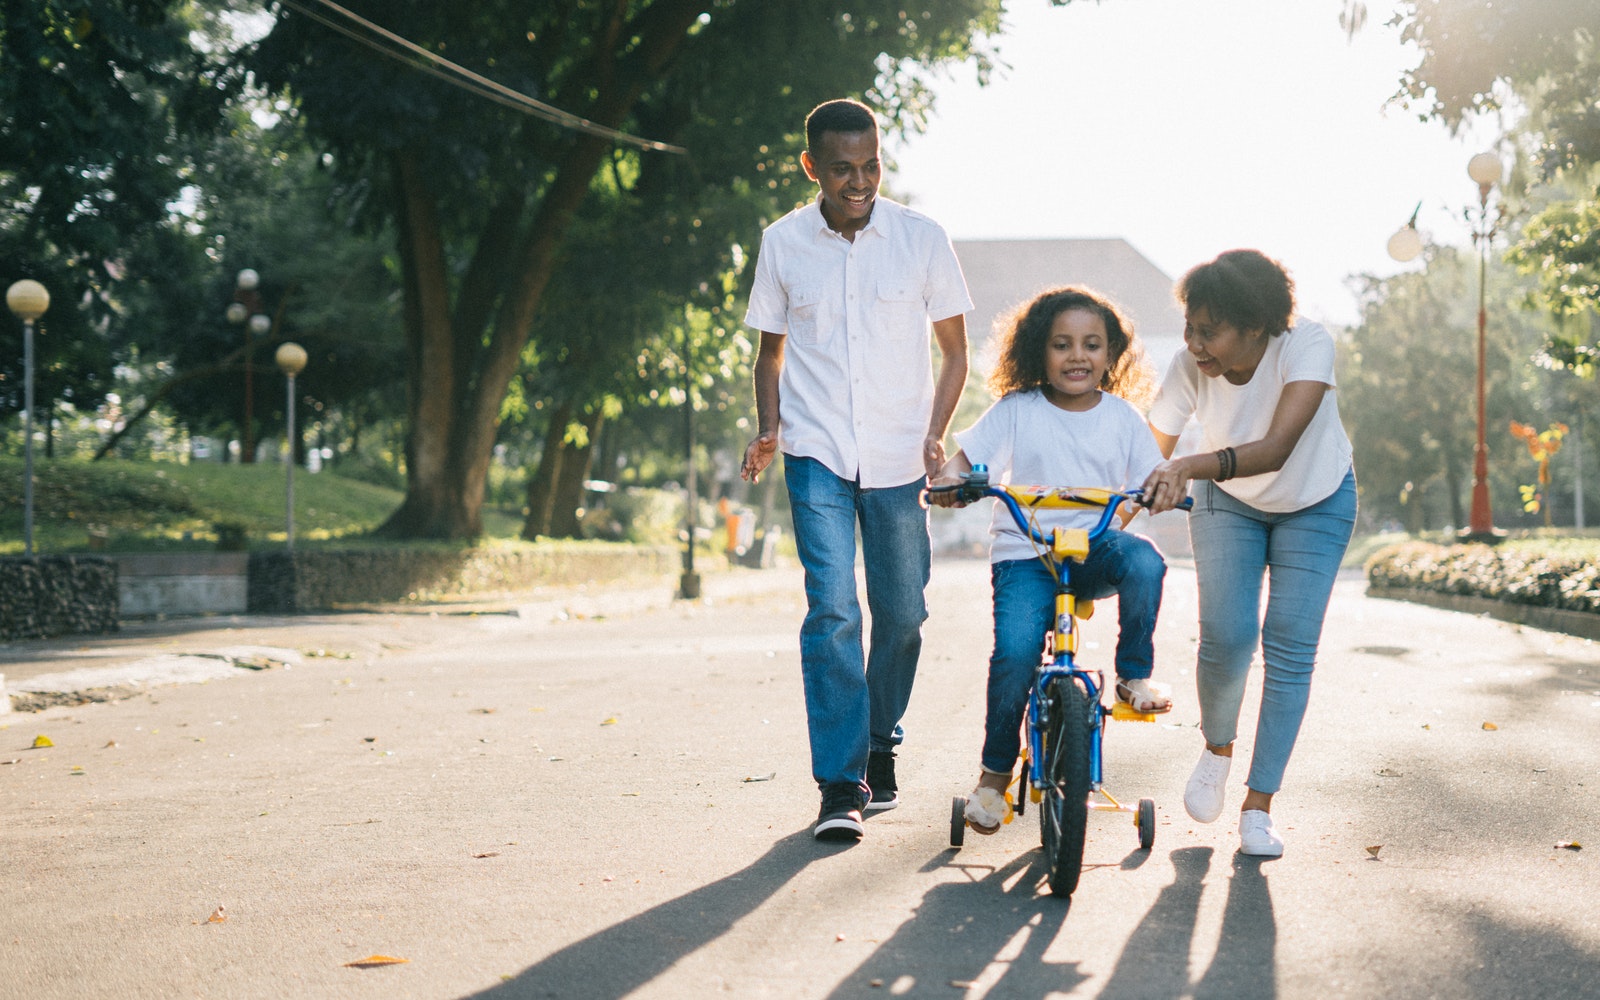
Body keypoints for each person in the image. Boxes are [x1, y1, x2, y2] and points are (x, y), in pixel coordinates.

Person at [738, 98, 972, 842]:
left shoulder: (921, 239)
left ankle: (879, 742)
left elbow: (956, 351)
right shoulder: (782, 243)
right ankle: (841, 784)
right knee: (834, 610)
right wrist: (770, 428)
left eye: (871, 165)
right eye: (842, 169)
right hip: (816, 454)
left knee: (903, 615)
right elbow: (770, 352)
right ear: (812, 167)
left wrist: (937, 434)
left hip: (902, 456)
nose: (860, 181)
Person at [929, 286, 1171, 835]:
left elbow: (1151, 477)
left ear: (1111, 356)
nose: (1077, 356)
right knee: (1015, 654)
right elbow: (965, 461)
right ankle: (993, 777)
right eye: (1062, 345)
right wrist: (950, 481)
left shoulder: (1124, 418)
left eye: (1092, 345)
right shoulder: (1017, 410)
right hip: (1026, 555)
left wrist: (1162, 489)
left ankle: (1134, 676)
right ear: (1040, 351)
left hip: (1092, 549)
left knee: (1147, 563)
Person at [1141, 249, 1357, 858]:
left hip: (1316, 498)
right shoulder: (1189, 366)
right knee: (1228, 636)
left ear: (1256, 326)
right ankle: (1216, 749)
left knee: (1289, 644)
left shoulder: (1306, 346)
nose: (1194, 343)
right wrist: (1110, 516)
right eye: (1189, 327)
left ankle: (1259, 807)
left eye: (1209, 330)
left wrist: (1186, 465)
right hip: (1227, 502)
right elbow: (1145, 454)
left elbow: (1278, 447)